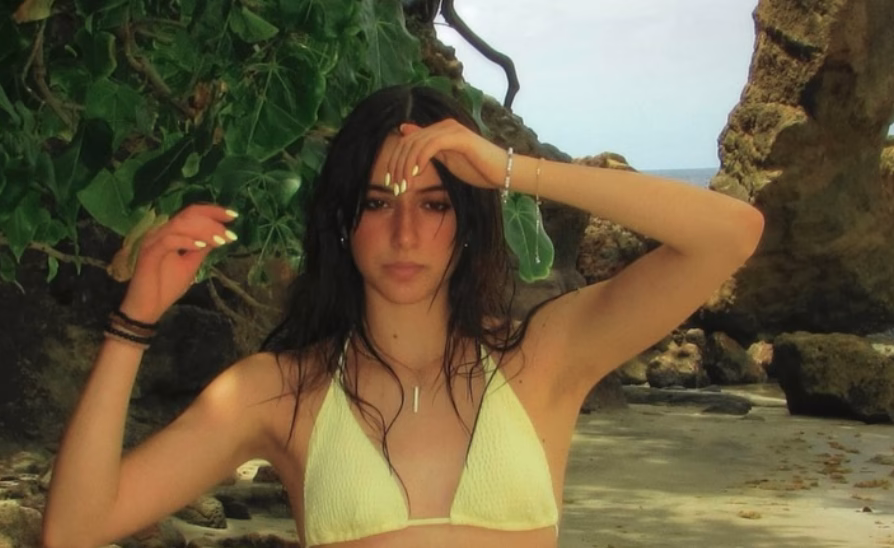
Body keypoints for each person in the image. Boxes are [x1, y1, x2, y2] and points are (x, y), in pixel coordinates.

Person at [42, 85, 764, 548]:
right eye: (378, 203)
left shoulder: (543, 360)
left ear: (468, 219)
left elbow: (730, 233)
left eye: (435, 204)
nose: (407, 234)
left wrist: (511, 170)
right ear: (344, 223)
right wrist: (135, 320)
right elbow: (75, 529)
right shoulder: (278, 392)